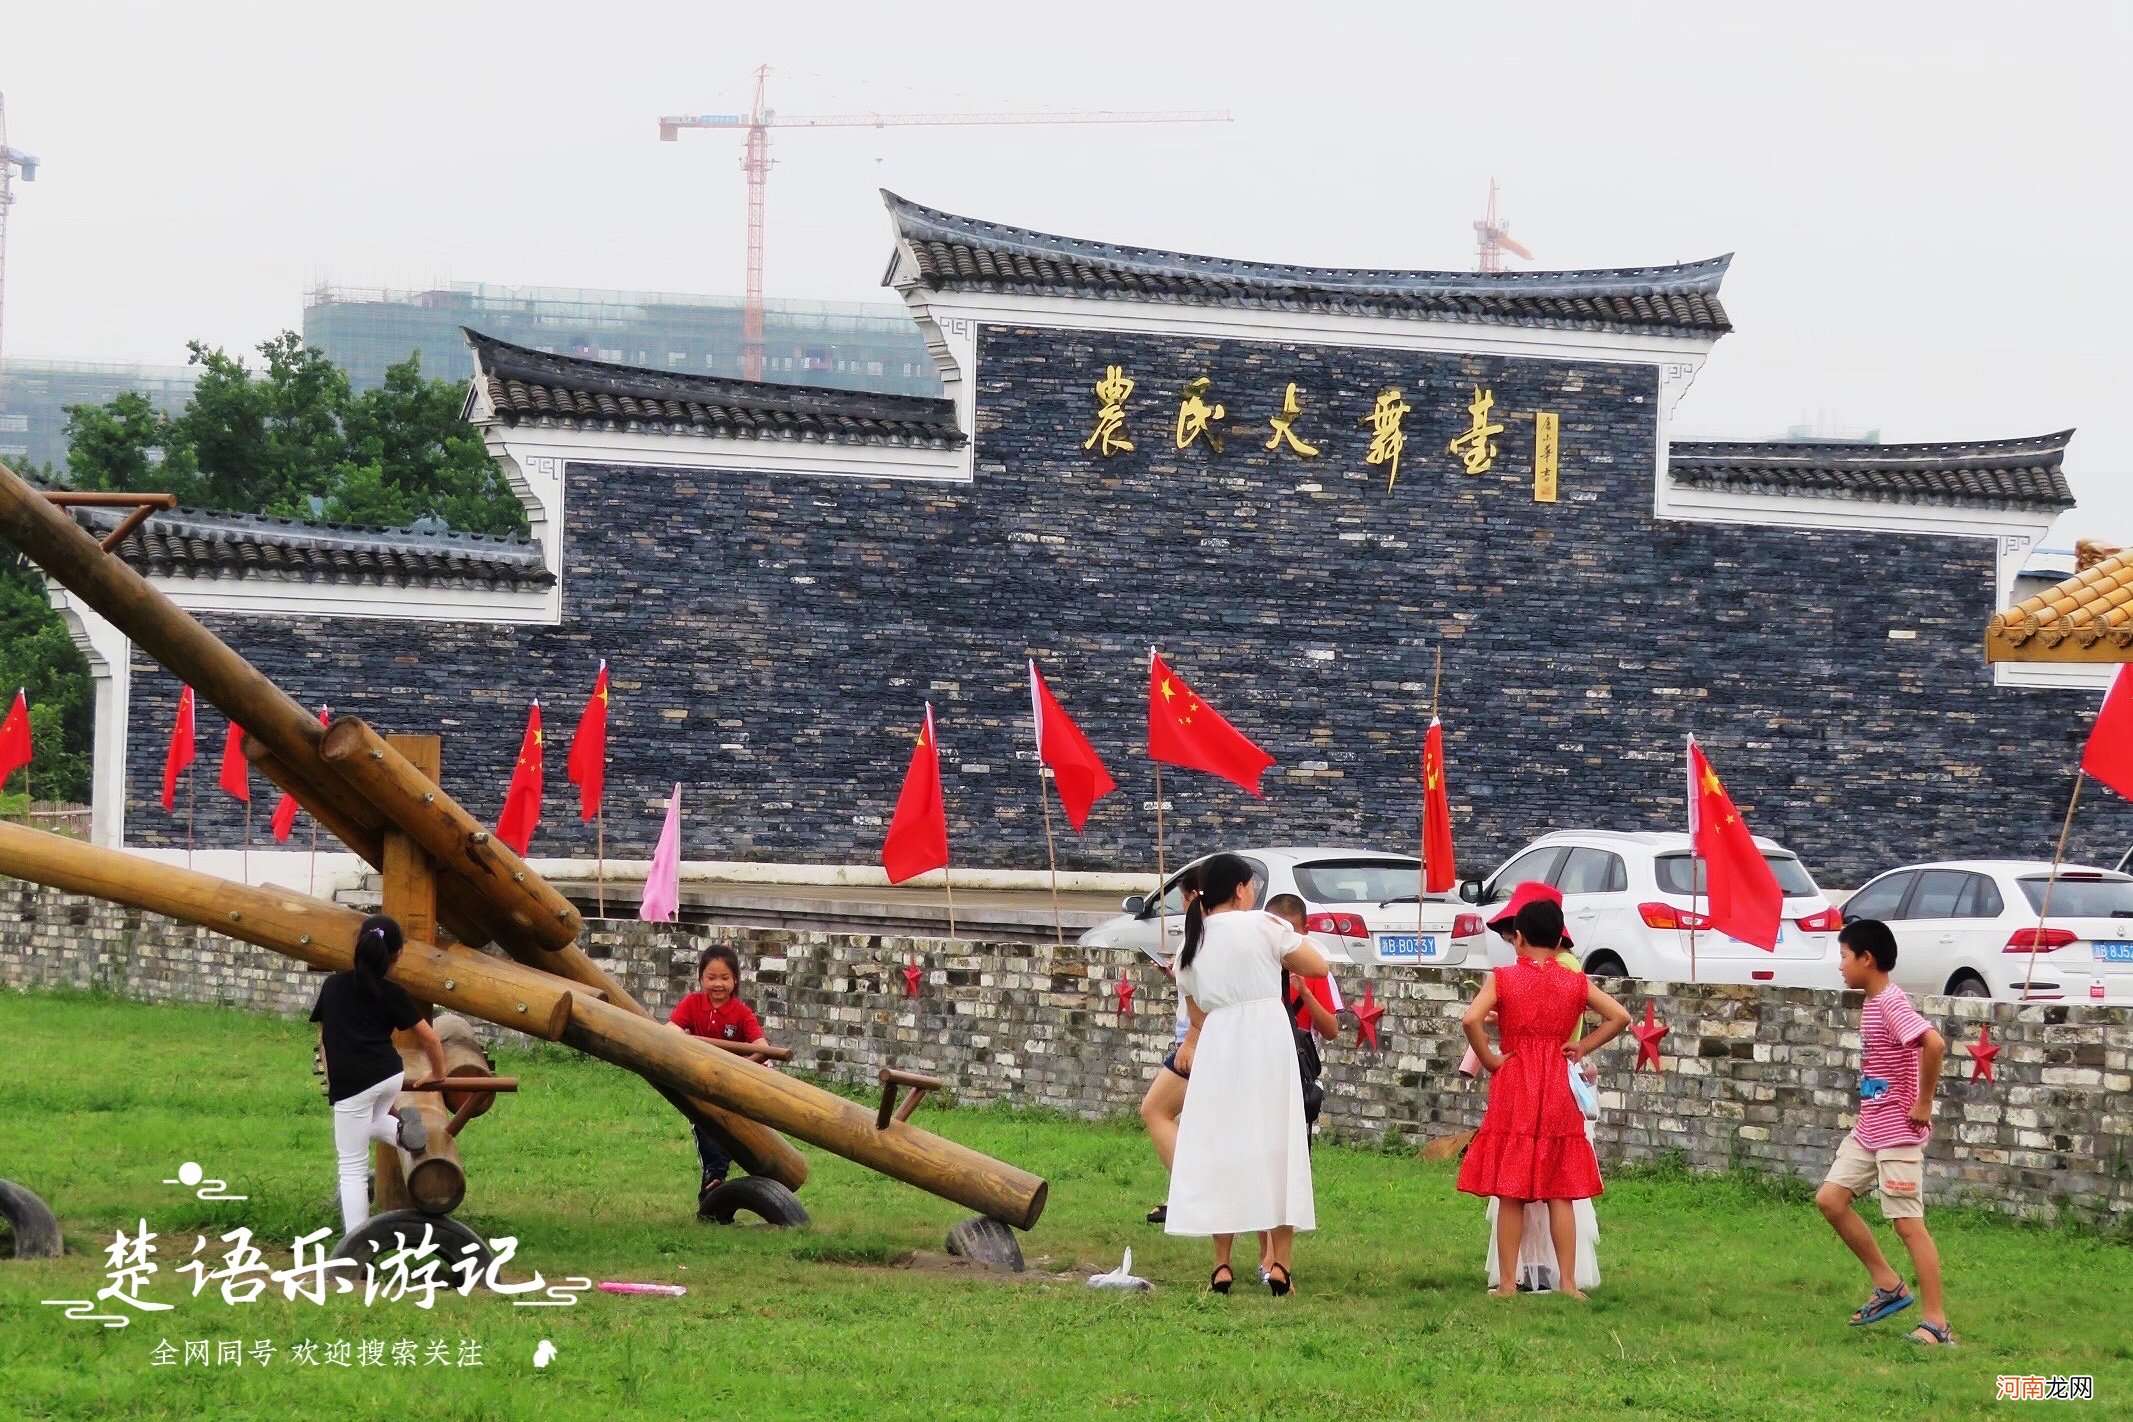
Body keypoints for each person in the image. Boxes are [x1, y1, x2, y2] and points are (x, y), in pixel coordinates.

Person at [1164, 853, 1329, 1297]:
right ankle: (1281, 1264)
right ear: (1238, 888)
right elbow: (1318, 965)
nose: (1254, 892)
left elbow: (1196, 1012)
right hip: (1267, 1040)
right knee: (1280, 1145)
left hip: (1220, 1042)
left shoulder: (1191, 944)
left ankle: (1221, 1265)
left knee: (1224, 1147)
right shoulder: (1264, 926)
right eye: (1250, 885)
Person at [1458, 895, 1629, 1300]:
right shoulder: (1575, 981)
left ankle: (1505, 1285)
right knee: (1561, 1187)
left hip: (1515, 1076)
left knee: (1511, 1187)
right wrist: (1582, 1047)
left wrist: (1491, 1059)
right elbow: (1620, 1017)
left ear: (1517, 938)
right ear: (1558, 942)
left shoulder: (1502, 977)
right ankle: (1568, 1283)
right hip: (1556, 1076)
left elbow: (1470, 1019)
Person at [1814, 918, 1954, 1345]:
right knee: (1831, 1200)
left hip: (1898, 1134)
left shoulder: (1891, 1003)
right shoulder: (1873, 1002)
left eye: (1843, 956)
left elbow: (1934, 1044)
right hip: (1869, 1129)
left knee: (1909, 1225)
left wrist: (1924, 1102)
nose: (1840, 966)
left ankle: (1937, 1324)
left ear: (1866, 959)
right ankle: (1889, 1285)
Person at [309, 914, 449, 1238]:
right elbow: (430, 1038)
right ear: (397, 955)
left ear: (358, 948)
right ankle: (401, 1133)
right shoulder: (394, 993)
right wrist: (438, 1075)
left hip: (352, 1084)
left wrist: (333, 1077)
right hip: (389, 1078)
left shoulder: (333, 986)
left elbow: (323, 1036)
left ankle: (356, 1246)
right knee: (367, 1124)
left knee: (352, 1167)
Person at [667, 944, 767, 1215]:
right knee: (705, 1129)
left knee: (724, 1139)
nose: (718, 984)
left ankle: (712, 1201)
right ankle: (712, 1203)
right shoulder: (692, 1004)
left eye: (724, 978)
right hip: (700, 1085)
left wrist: (741, 1069)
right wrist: (681, 1038)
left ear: (735, 980)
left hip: (731, 1089)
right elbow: (670, 1030)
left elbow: (761, 1047)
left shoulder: (741, 1013)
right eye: (711, 978)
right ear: (701, 978)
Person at [1140, 870, 1200, 1226]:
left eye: (1184, 899)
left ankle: (1189, 1192)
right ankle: (1187, 1193)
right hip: (1191, 1036)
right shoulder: (1200, 934)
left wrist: (1192, 1039)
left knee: (1154, 1109)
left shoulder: (1204, 934)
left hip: (1197, 1040)